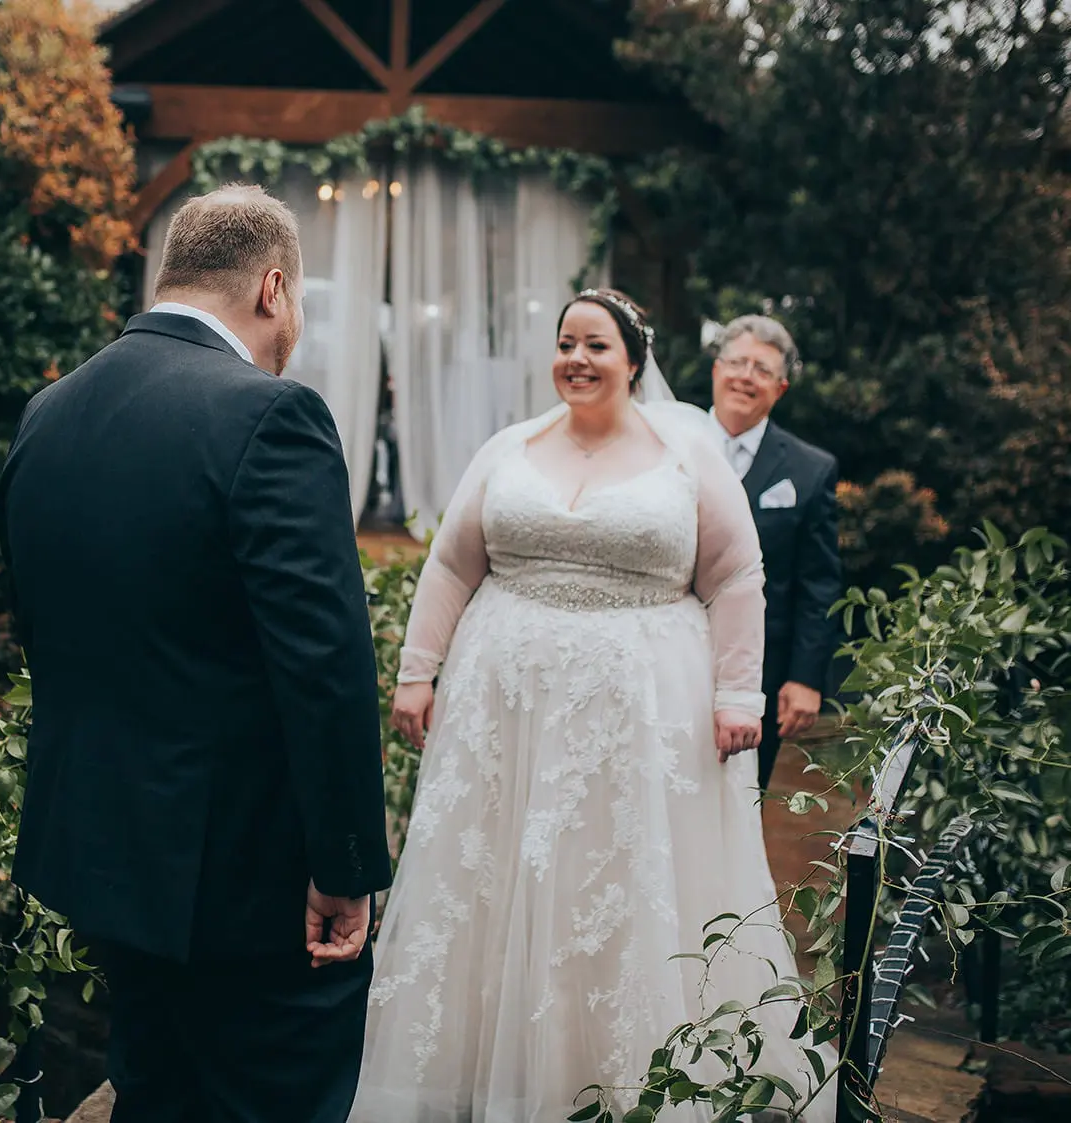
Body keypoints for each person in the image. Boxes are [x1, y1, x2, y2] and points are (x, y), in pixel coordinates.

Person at [351, 291, 835, 1123]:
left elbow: (736, 575)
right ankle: (485, 1082)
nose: (578, 357)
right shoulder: (511, 448)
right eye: (566, 342)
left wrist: (735, 695)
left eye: (597, 344)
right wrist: (416, 672)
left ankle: (619, 1075)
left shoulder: (684, 451)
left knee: (610, 882)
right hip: (504, 716)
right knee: (496, 883)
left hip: (640, 715)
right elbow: (449, 565)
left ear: (633, 358)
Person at [0, 184, 393, 1123]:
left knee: (154, 1091)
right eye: (295, 303)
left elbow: (40, 626)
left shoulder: (48, 413)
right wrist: (344, 865)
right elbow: (326, 669)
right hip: (244, 880)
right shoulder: (271, 417)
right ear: (271, 288)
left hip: (102, 853)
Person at [707, 316, 842, 792]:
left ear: (780, 388)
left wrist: (807, 678)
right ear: (716, 371)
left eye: (761, 369)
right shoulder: (668, 445)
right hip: (667, 652)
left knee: (739, 799)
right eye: (737, 362)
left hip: (758, 674)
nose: (746, 376)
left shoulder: (810, 469)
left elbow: (818, 583)